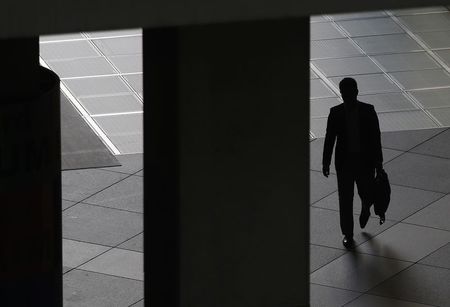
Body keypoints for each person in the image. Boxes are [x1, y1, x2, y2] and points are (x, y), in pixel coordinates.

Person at [322, 77, 383, 248]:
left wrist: (378, 162)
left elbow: (375, 138)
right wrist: (325, 162)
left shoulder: (368, 111)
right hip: (346, 163)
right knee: (345, 199)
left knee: (365, 192)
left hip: (364, 161)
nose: (346, 96)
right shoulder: (335, 113)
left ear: (355, 92)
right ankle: (348, 233)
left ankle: (365, 206)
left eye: (348, 93)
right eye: (344, 93)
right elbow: (330, 139)